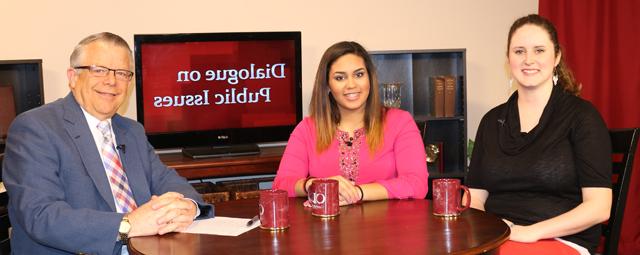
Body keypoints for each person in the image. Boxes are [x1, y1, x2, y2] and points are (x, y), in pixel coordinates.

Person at [2, 32, 214, 254]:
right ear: (73, 77)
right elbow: (41, 216)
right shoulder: (35, 127)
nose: (111, 81)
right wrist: (128, 225)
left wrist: (188, 207)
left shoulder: (131, 130)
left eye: (122, 73)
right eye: (98, 70)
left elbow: (167, 181)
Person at [466, 14, 611, 255]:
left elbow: (599, 207)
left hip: (562, 239)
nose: (528, 59)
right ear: (508, 59)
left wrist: (530, 232)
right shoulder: (492, 121)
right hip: (497, 237)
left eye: (539, 50)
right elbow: (475, 197)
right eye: (519, 51)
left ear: (556, 57)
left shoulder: (582, 117)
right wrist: (483, 232)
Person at [273, 41, 428, 205]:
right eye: (340, 77)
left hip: (387, 227)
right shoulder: (307, 129)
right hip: (326, 227)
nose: (352, 85)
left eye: (359, 74)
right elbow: (281, 184)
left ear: (370, 78)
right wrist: (314, 184)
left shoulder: (400, 122)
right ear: (327, 85)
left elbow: (417, 185)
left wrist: (357, 192)